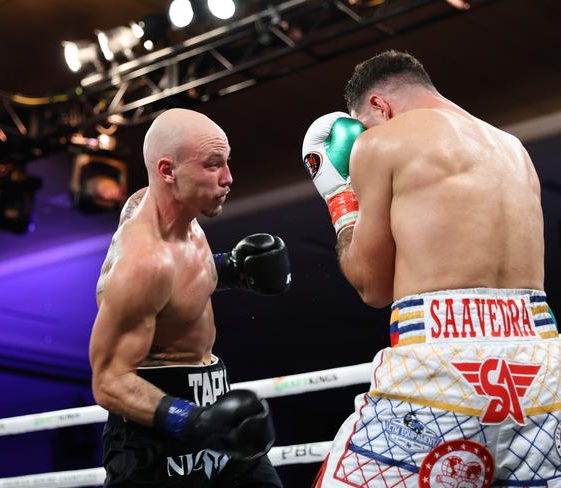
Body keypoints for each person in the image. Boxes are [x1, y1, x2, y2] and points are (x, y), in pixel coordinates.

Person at [301, 51, 560, 487]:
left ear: (380, 107)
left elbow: (372, 286)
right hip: (545, 370)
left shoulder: (381, 140)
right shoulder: (513, 149)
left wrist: (340, 200)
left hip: (443, 368)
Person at [89, 108, 289, 487]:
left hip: (215, 412)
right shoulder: (143, 264)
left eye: (226, 162)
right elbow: (109, 381)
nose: (228, 178)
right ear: (168, 171)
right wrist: (193, 421)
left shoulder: (177, 215)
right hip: (155, 441)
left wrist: (231, 269)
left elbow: (176, 286)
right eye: (213, 165)